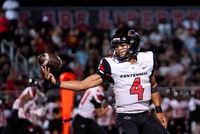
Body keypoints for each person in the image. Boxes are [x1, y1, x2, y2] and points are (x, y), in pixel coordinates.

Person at [41, 26, 168, 134]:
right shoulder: (111, 64)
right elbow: (83, 84)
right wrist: (57, 82)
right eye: (117, 46)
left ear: (133, 45)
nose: (119, 49)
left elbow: (153, 85)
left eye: (123, 45)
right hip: (126, 117)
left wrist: (158, 110)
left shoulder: (147, 59)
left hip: (146, 114)